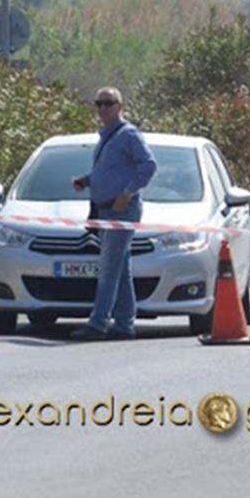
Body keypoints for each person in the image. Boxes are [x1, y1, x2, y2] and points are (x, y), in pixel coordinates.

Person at [69, 87, 157, 341]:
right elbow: (111, 171)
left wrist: (128, 193)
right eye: (99, 103)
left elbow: (149, 165)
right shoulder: (106, 137)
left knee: (108, 269)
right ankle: (124, 323)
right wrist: (86, 181)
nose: (103, 108)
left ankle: (97, 324)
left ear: (121, 106)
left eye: (109, 103)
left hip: (122, 211)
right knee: (121, 269)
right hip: (105, 210)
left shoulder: (129, 135)